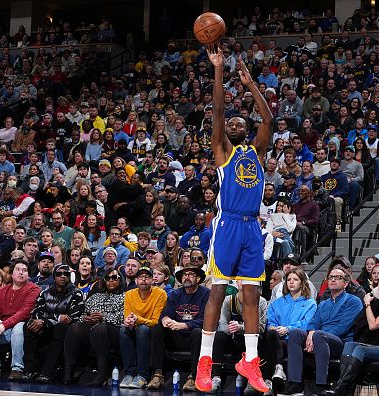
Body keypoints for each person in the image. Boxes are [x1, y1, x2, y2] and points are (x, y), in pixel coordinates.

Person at [194, 47, 273, 393]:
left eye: (239, 123)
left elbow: (268, 119)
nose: (232, 124)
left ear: (247, 129)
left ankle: (251, 361)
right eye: (230, 124)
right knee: (217, 292)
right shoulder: (223, 151)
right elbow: (217, 111)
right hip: (227, 226)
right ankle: (204, 363)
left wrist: (250, 83)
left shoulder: (256, 151)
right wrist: (217, 71)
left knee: (252, 296)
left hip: (251, 227)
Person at [283, 265, 363, 395]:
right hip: (319, 338)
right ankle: (295, 382)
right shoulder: (324, 302)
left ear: (346, 283)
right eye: (330, 277)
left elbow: (343, 327)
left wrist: (315, 335)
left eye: (337, 278)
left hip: (340, 342)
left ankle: (321, 384)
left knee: (319, 335)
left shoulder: (353, 301)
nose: (332, 280)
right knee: (295, 333)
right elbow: (314, 322)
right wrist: (310, 333)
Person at [325, 272, 379, 395]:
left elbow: (373, 325)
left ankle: (341, 387)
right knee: (350, 345)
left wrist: (368, 304)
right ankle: (344, 388)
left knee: (360, 350)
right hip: (375, 345)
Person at [146, 264, 210, 391]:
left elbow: (206, 321)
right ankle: (157, 374)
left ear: (198, 279)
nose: (187, 277)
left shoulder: (206, 294)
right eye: (184, 275)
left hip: (194, 337)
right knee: (157, 328)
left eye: (191, 274)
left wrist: (184, 325)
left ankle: (194, 376)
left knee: (198, 332)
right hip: (177, 337)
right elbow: (164, 315)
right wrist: (166, 320)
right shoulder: (175, 294)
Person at [0, 260, 40, 380]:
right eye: (18, 270)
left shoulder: (33, 289)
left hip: (21, 325)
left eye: (24, 270)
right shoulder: (3, 290)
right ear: (11, 274)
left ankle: (17, 368)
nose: (21, 273)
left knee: (18, 328)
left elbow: (25, 312)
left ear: (28, 275)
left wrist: (4, 325)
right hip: (4, 327)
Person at [22, 263, 85, 383]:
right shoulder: (45, 293)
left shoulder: (76, 293)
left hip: (66, 332)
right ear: (54, 276)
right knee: (29, 325)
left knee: (61, 327)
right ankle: (30, 370)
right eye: (59, 274)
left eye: (66, 274)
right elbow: (36, 312)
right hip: (46, 329)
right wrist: (56, 318)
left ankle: (47, 372)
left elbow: (71, 317)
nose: (62, 276)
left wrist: (46, 321)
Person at [62, 268, 124, 386]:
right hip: (92, 328)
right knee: (75, 327)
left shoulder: (125, 296)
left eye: (114, 278)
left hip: (114, 331)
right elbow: (82, 313)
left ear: (120, 280)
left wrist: (103, 317)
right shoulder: (95, 296)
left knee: (99, 328)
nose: (111, 281)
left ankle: (101, 374)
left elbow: (123, 316)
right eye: (108, 278)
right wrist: (85, 318)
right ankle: (68, 372)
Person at [208, 280, 268, 392]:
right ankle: (216, 377)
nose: (244, 281)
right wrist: (231, 329)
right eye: (241, 279)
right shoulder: (229, 300)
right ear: (237, 282)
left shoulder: (261, 301)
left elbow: (262, 327)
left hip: (251, 341)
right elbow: (222, 324)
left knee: (260, 338)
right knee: (219, 336)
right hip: (233, 338)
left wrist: (240, 327)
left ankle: (252, 379)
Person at [265, 267, 317, 390]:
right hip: (278, 339)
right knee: (270, 335)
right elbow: (271, 321)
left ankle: (268, 381)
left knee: (271, 342)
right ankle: (278, 369)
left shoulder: (310, 303)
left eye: (295, 279)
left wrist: (287, 329)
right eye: (289, 280)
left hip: (295, 342)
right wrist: (272, 326)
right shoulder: (276, 303)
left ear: (302, 282)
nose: (291, 282)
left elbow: (306, 323)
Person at [118, 266, 167, 389]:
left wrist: (138, 320)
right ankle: (129, 373)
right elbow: (127, 316)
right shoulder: (129, 294)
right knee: (123, 329)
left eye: (147, 277)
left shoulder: (160, 293)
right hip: (135, 326)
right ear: (136, 280)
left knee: (143, 329)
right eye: (140, 277)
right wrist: (128, 321)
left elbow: (156, 321)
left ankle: (143, 375)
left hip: (151, 331)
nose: (143, 280)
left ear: (152, 280)